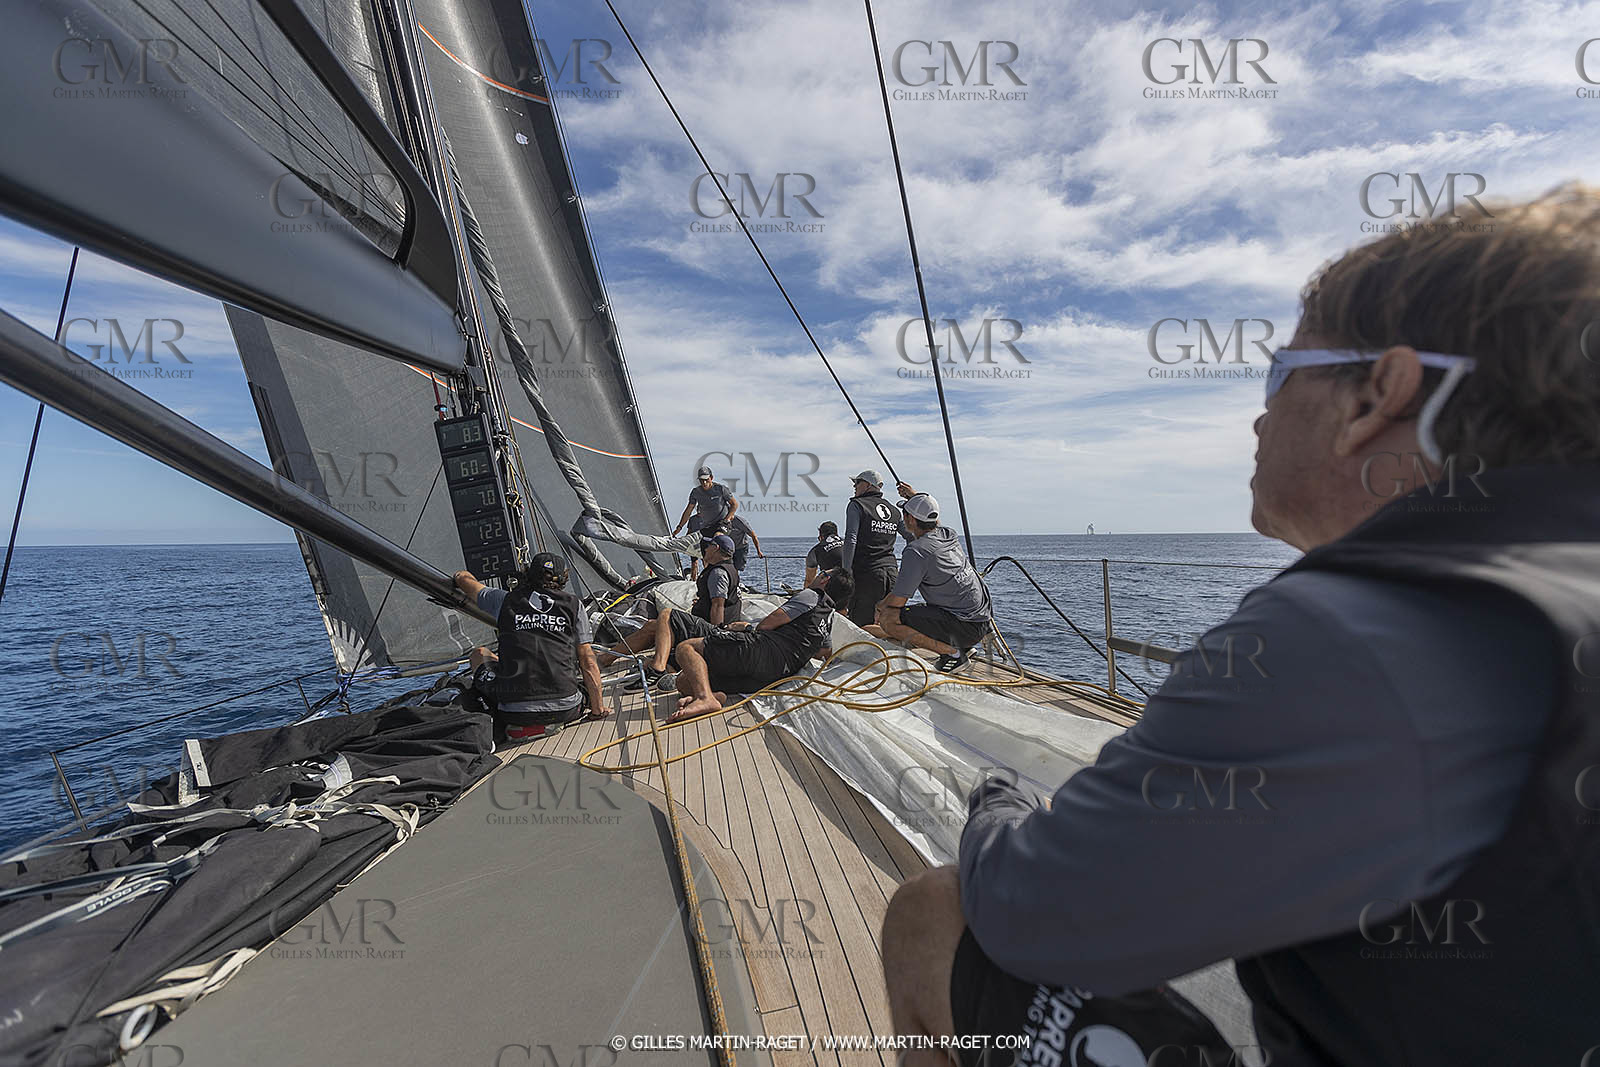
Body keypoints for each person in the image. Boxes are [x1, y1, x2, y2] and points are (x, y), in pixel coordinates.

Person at [880, 185, 1600, 1066]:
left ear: (1381, 392)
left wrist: (998, 795)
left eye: (1278, 377)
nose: (1258, 417)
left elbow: (1032, 908)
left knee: (932, 915)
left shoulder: (1357, 633)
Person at [666, 567, 855, 723]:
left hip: (762, 652)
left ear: (824, 580)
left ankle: (704, 698)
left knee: (686, 648)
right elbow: (824, 651)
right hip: (773, 675)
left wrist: (746, 628)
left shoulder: (811, 595)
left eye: (822, 572)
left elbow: (767, 624)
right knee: (684, 682)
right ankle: (714, 696)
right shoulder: (829, 617)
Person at [453, 553, 608, 742]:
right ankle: (546, 724)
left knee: (480, 654)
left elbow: (464, 581)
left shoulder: (504, 600)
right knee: (581, 688)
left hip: (513, 713)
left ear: (527, 574)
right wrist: (598, 710)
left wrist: (460, 574)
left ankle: (521, 725)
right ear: (563, 578)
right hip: (565, 709)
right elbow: (587, 661)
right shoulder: (574, 605)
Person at [867, 487, 992, 672]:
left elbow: (898, 601)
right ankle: (961, 646)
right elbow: (931, 520)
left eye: (905, 514)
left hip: (964, 628)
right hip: (981, 623)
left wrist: (879, 606)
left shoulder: (916, 551)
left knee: (889, 619)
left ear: (910, 519)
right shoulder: (948, 534)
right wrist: (915, 496)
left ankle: (953, 654)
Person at [596, 534, 741, 689]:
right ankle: (605, 659)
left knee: (667, 614)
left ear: (716, 548)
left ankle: (656, 668)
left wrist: (715, 642)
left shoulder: (718, 573)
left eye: (708, 546)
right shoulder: (726, 569)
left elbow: (718, 606)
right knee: (653, 625)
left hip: (713, 634)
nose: (705, 549)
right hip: (708, 628)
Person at [840, 469, 906, 627]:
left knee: (863, 624)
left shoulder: (856, 505)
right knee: (891, 623)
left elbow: (851, 539)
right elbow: (911, 536)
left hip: (867, 575)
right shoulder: (894, 511)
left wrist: (846, 571)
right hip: (892, 573)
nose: (854, 486)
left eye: (857, 483)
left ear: (868, 485)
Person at [803, 521, 844, 585]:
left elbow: (809, 580)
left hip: (834, 586)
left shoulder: (815, 551)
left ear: (821, 536)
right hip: (856, 581)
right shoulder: (848, 544)